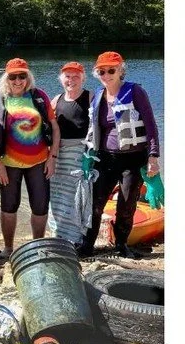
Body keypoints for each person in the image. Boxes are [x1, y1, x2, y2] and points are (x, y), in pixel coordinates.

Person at [83, 52, 161, 259]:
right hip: (106, 159)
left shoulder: (135, 91)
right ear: (96, 73)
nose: (106, 74)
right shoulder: (98, 95)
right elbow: (94, 128)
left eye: (111, 70)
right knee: (95, 203)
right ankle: (87, 245)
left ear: (120, 70)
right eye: (102, 71)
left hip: (133, 159)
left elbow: (151, 126)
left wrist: (153, 157)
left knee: (126, 204)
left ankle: (121, 245)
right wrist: (88, 155)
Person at [0, 58, 57, 255]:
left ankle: (38, 247)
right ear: (6, 78)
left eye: (22, 76)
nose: (18, 80)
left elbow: (55, 128)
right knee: (9, 206)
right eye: (13, 76)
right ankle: (9, 248)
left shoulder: (39, 96)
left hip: (39, 162)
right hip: (9, 164)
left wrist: (53, 157)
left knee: (40, 206)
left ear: (28, 77)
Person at [49, 62, 90, 246]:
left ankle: (76, 238)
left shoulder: (91, 97)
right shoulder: (56, 100)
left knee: (78, 195)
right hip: (59, 154)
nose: (71, 80)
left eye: (76, 76)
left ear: (83, 78)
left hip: (80, 154)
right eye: (67, 76)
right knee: (57, 195)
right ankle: (58, 234)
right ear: (61, 79)